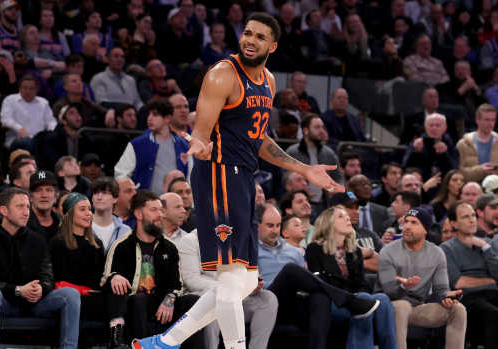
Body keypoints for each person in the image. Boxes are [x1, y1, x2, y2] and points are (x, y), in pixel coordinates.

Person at [133, 12, 343, 348]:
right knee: (230, 279)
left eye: (260, 36)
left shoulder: (269, 82)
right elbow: (200, 134)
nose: (250, 40)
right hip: (217, 172)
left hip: (243, 177)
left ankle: (166, 342)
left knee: (244, 283)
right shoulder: (222, 75)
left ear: (272, 46)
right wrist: (199, 146)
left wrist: (303, 169)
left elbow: (259, 140)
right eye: (247, 33)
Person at [256, 203, 380, 349]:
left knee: (320, 297)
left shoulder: (293, 252)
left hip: (294, 302)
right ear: (256, 225)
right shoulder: (250, 250)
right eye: (270, 226)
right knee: (290, 270)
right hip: (266, 299)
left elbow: (307, 281)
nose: (275, 231)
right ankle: (348, 300)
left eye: (278, 226)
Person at [0, 187, 81, 349]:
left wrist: (41, 289)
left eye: (28, 206)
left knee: (70, 294)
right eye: (20, 206)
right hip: (4, 302)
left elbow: (48, 276)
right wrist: (17, 290)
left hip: (36, 303)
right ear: (4, 210)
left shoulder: (38, 239)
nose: (26, 211)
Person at [102, 190, 204, 345]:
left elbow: (177, 285)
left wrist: (169, 300)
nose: (160, 215)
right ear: (138, 214)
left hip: (162, 305)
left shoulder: (169, 247)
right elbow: (105, 279)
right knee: (140, 299)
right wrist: (114, 276)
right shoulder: (121, 246)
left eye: (161, 210)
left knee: (194, 301)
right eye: (153, 210)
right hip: (133, 305)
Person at [306, 205, 397, 349]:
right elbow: (321, 283)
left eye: (346, 216)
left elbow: (362, 282)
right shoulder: (315, 249)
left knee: (383, 300)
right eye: (341, 217)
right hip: (333, 303)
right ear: (328, 223)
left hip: (358, 298)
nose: (348, 218)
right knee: (364, 299)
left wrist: (358, 296)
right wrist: (353, 297)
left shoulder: (353, 250)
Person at [376, 206, 467, 349]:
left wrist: (449, 296)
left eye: (414, 223)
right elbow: (389, 291)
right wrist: (404, 286)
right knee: (402, 306)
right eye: (406, 222)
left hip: (418, 307)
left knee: (458, 309)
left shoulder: (436, 253)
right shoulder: (387, 251)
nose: (407, 226)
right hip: (389, 306)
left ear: (425, 229)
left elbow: (441, 289)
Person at [177, 229, 278, 349]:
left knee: (268, 298)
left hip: (236, 297)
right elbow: (191, 280)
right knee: (215, 297)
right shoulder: (190, 241)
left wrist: (251, 282)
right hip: (207, 295)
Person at [442, 201, 498, 349]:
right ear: (454, 223)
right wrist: (490, 280)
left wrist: (485, 248)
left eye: (473, 215)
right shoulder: (446, 248)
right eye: (465, 217)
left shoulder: (487, 244)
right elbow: (459, 282)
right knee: (492, 313)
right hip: (467, 297)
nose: (472, 220)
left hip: (494, 295)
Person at [49, 192, 107, 323]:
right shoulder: (57, 242)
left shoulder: (96, 243)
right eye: (82, 209)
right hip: (69, 296)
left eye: (89, 209)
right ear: (69, 214)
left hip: (93, 295)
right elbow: (57, 279)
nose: (88, 213)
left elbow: (100, 277)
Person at [115, 98, 191, 195]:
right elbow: (121, 174)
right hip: (145, 205)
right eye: (149, 114)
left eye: (155, 115)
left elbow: (190, 177)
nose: (149, 118)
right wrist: (132, 196)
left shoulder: (183, 146)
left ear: (167, 118)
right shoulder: (137, 145)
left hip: (175, 205)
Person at [286, 113, 342, 204]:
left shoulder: (329, 153)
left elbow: (338, 176)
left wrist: (336, 188)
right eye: (317, 127)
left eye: (322, 127)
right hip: (300, 202)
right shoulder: (292, 152)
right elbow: (286, 179)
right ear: (305, 131)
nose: (321, 131)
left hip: (324, 203)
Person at [456, 104, 498, 182]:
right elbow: (458, 173)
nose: (490, 124)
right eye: (487, 120)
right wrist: (480, 170)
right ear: (477, 120)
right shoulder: (463, 144)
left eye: (493, 120)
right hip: (471, 190)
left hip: (496, 190)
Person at [0, 74, 56, 148]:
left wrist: (51, 132)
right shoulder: (10, 100)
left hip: (39, 140)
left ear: (37, 89)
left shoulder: (43, 102)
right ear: (19, 88)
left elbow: (51, 121)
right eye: (25, 88)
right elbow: (5, 120)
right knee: (27, 143)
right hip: (17, 140)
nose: (28, 91)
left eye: (31, 88)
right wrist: (19, 129)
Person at [402, 113, 459, 181]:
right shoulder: (417, 142)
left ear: (445, 128)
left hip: (443, 184)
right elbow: (405, 166)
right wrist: (416, 152)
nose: (434, 128)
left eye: (438, 125)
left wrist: (445, 153)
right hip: (422, 182)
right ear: (425, 127)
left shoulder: (450, 143)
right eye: (431, 125)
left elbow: (455, 169)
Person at [91, 177, 132, 254]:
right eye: (96, 193)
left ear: (115, 199)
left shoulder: (125, 232)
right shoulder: (82, 227)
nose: (99, 197)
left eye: (104, 193)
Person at [27, 170, 61, 241]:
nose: (44, 195)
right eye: (38, 190)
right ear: (30, 197)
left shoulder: (64, 223)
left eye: (49, 190)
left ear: (56, 197)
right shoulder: (22, 223)